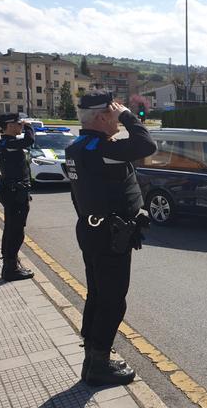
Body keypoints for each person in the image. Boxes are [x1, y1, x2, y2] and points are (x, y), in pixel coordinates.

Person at [65, 90, 156, 386]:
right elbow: (146, 143)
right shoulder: (100, 148)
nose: (118, 115)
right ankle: (100, 365)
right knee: (113, 301)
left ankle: (93, 356)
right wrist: (129, 117)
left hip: (93, 230)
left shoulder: (79, 146)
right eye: (114, 111)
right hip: (110, 235)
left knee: (97, 295)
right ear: (103, 116)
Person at [0, 114, 36, 281]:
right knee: (16, 231)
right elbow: (29, 140)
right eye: (18, 123)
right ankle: (11, 268)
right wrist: (29, 126)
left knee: (11, 229)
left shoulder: (1, 143)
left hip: (11, 191)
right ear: (9, 125)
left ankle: (10, 262)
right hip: (15, 193)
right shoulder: (9, 143)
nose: (21, 126)